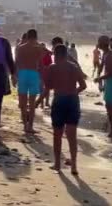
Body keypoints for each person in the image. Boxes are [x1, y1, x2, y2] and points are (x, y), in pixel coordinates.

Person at [43, 44, 87, 175]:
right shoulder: (74, 67)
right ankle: (74, 165)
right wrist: (73, 92)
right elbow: (83, 85)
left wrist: (38, 102)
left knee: (57, 134)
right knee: (72, 135)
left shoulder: (52, 68)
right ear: (66, 54)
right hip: (73, 101)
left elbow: (48, 87)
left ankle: (57, 164)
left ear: (56, 55)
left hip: (59, 100)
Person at [15, 29, 45, 133]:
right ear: (36, 37)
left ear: (27, 37)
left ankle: (25, 126)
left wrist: (14, 76)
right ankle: (30, 127)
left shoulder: (20, 48)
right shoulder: (38, 49)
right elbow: (41, 62)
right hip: (33, 74)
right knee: (32, 103)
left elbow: (17, 62)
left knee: (23, 103)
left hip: (22, 74)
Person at [95, 36, 112, 140]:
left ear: (103, 44)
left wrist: (100, 78)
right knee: (109, 107)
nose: (98, 44)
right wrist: (100, 77)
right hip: (109, 82)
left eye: (99, 42)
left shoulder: (110, 55)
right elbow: (101, 67)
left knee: (111, 108)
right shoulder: (105, 54)